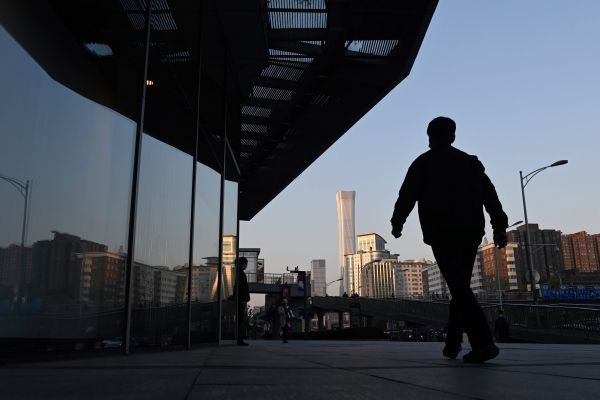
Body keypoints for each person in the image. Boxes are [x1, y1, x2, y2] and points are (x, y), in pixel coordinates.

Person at [391, 116, 508, 363]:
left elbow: (406, 196)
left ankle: (483, 343)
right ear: (453, 137)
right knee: (459, 285)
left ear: (430, 137)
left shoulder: (423, 163)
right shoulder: (469, 163)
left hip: (441, 233)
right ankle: (452, 343)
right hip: (470, 232)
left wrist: (397, 222)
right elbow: (490, 194)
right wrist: (499, 227)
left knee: (459, 287)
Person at [235, 257, 251, 346]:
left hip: (240, 299)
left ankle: (239, 339)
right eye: (245, 264)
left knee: (240, 320)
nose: (246, 266)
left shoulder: (238, 273)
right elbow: (242, 288)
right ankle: (239, 339)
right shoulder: (240, 274)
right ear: (242, 264)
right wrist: (244, 299)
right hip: (241, 300)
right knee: (240, 320)